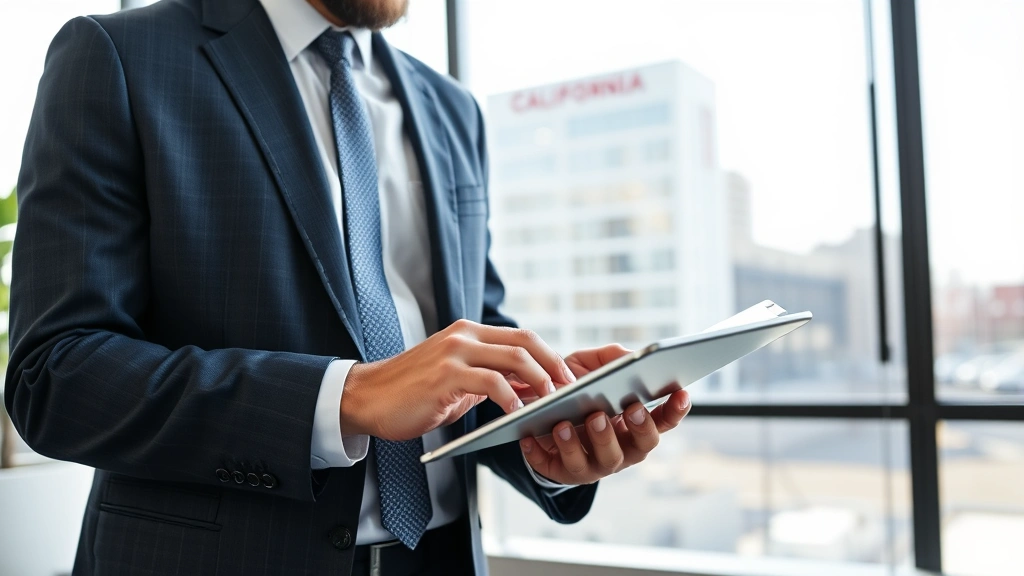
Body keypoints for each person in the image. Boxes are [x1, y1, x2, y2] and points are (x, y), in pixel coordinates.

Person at [5, 0, 693, 574]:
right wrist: (348, 397)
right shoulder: (118, 56)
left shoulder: (453, 109)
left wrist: (551, 433)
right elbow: (55, 376)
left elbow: (467, 345)